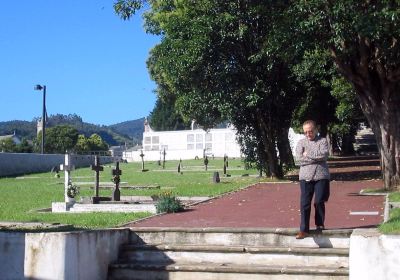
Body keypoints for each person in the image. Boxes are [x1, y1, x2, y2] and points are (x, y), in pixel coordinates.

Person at [295, 120, 330, 239]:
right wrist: (315, 157)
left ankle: (319, 224)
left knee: (319, 201)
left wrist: (307, 154)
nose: (308, 134)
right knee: (305, 203)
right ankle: (304, 230)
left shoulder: (323, 141)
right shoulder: (301, 142)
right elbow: (299, 159)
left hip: (321, 176)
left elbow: (324, 155)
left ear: (315, 130)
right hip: (305, 177)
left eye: (310, 131)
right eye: (305, 132)